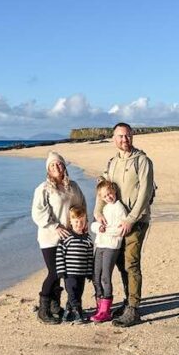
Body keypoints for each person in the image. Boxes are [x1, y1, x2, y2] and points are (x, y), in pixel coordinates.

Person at [94, 122, 155, 327]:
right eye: (120, 136)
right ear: (114, 139)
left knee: (131, 263)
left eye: (127, 136)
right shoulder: (112, 162)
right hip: (116, 224)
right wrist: (97, 211)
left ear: (132, 136)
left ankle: (134, 309)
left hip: (136, 222)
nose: (124, 140)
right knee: (120, 264)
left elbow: (145, 193)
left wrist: (130, 220)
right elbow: (104, 188)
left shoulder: (143, 161)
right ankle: (128, 301)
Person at [31, 151, 86, 325]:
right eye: (52, 165)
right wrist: (55, 225)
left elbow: (80, 207)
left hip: (69, 238)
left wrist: (81, 227)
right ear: (48, 169)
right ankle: (43, 309)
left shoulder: (73, 187)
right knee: (54, 272)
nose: (56, 167)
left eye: (59, 164)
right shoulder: (43, 189)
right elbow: (37, 213)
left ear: (64, 166)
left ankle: (55, 306)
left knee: (65, 273)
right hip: (49, 237)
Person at [89, 179, 128, 323]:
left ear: (114, 191)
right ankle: (99, 305)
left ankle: (106, 310)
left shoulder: (119, 208)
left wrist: (105, 231)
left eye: (110, 193)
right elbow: (93, 225)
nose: (108, 197)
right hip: (100, 244)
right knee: (95, 275)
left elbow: (121, 230)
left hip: (112, 246)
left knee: (105, 276)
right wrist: (98, 228)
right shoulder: (104, 208)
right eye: (105, 196)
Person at [54, 206, 95, 323]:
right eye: (76, 221)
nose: (79, 224)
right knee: (72, 292)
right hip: (69, 273)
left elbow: (89, 257)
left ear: (85, 221)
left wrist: (89, 272)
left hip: (81, 273)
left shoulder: (87, 239)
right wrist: (61, 271)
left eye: (82, 221)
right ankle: (77, 311)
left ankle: (68, 312)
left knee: (78, 292)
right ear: (70, 222)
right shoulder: (67, 237)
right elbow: (60, 254)